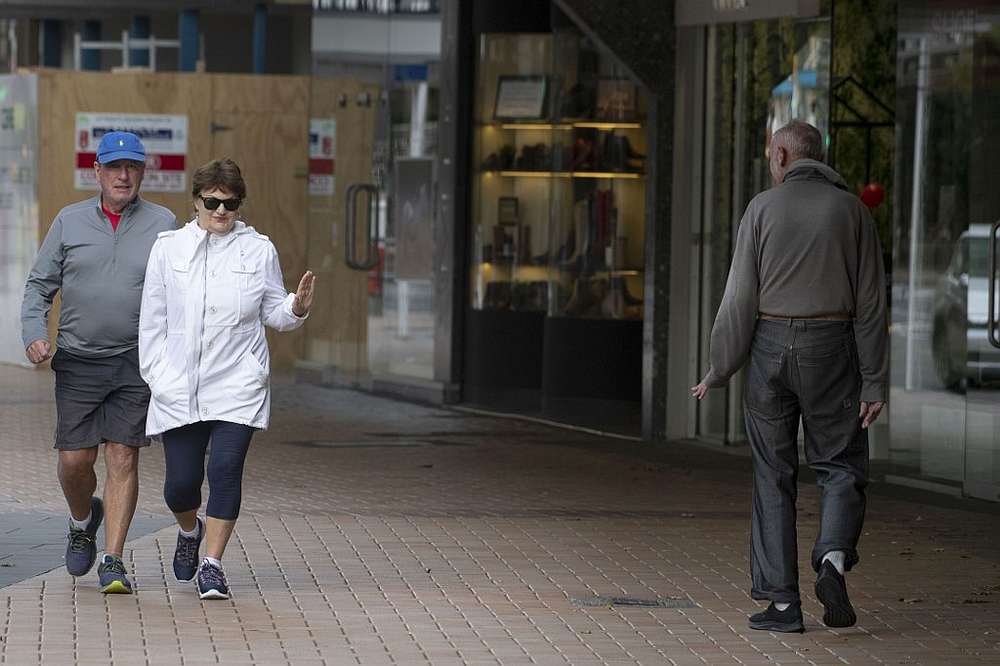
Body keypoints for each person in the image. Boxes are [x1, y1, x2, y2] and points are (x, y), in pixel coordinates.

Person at [691, 120, 888, 633]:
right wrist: (874, 381)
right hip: (832, 348)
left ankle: (782, 605)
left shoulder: (760, 208)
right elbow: (870, 304)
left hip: (768, 349)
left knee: (772, 475)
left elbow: (739, 298)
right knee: (840, 464)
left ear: (781, 155)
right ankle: (833, 561)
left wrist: (720, 366)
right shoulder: (854, 212)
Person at [139, 158, 314, 600]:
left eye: (230, 203)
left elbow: (274, 311)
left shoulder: (258, 250)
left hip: (237, 383)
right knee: (180, 485)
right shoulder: (168, 248)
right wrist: (158, 376)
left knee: (225, 469)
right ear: (196, 200)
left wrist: (295, 307)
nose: (221, 211)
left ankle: (213, 565)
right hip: (179, 385)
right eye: (212, 202)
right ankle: (188, 528)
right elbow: (152, 321)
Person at [21, 131, 177, 594]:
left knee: (122, 455)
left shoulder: (163, 222)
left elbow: (183, 288)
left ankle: (113, 560)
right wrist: (33, 335)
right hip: (77, 359)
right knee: (75, 460)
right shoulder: (69, 222)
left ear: (143, 172)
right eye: (114, 167)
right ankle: (81, 517)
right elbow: (38, 287)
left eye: (132, 167)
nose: (123, 176)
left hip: (134, 361)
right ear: (98, 172)